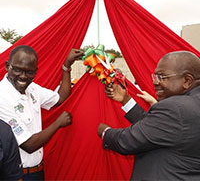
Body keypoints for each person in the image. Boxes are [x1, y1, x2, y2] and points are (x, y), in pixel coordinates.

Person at [98, 51, 200, 181]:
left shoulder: (175, 108)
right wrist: (126, 100)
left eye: (162, 77)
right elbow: (157, 129)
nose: (155, 82)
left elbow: (127, 141)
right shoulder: (187, 107)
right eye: (155, 76)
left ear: (187, 80)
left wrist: (105, 132)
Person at [0, 45, 84, 180]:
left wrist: (66, 66)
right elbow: (29, 145)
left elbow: (61, 97)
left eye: (29, 72)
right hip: (17, 176)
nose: (23, 76)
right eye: (18, 70)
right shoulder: (2, 97)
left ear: (35, 71)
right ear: (7, 66)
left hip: (37, 172)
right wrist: (58, 123)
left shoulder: (32, 88)